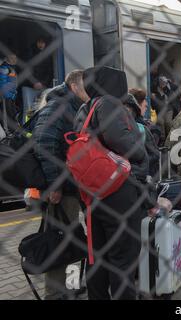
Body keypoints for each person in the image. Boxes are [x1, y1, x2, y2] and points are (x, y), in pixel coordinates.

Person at [74, 66, 147, 300]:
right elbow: (118, 138)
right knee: (123, 258)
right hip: (119, 191)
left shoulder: (85, 109)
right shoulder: (111, 104)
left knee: (98, 255)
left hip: (94, 192)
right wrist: (140, 152)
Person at [32, 70, 90, 299]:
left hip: (73, 187)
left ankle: (73, 286)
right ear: (74, 86)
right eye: (87, 86)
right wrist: (54, 184)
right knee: (59, 241)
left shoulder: (73, 107)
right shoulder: (58, 107)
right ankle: (55, 294)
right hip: (62, 189)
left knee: (73, 239)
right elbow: (43, 143)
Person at [152, 76, 181, 142]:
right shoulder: (155, 89)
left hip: (169, 108)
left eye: (164, 83)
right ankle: (162, 139)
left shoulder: (169, 88)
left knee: (168, 122)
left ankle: (170, 137)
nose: (163, 85)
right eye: (161, 84)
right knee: (160, 122)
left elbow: (177, 92)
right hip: (160, 109)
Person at [0, 51, 19, 132]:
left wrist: (13, 93)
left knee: (12, 114)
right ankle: (7, 131)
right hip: (6, 96)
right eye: (13, 58)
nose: (15, 60)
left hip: (11, 95)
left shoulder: (11, 68)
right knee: (7, 115)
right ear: (8, 58)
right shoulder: (4, 68)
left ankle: (12, 131)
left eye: (15, 58)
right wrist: (7, 94)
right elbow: (2, 83)